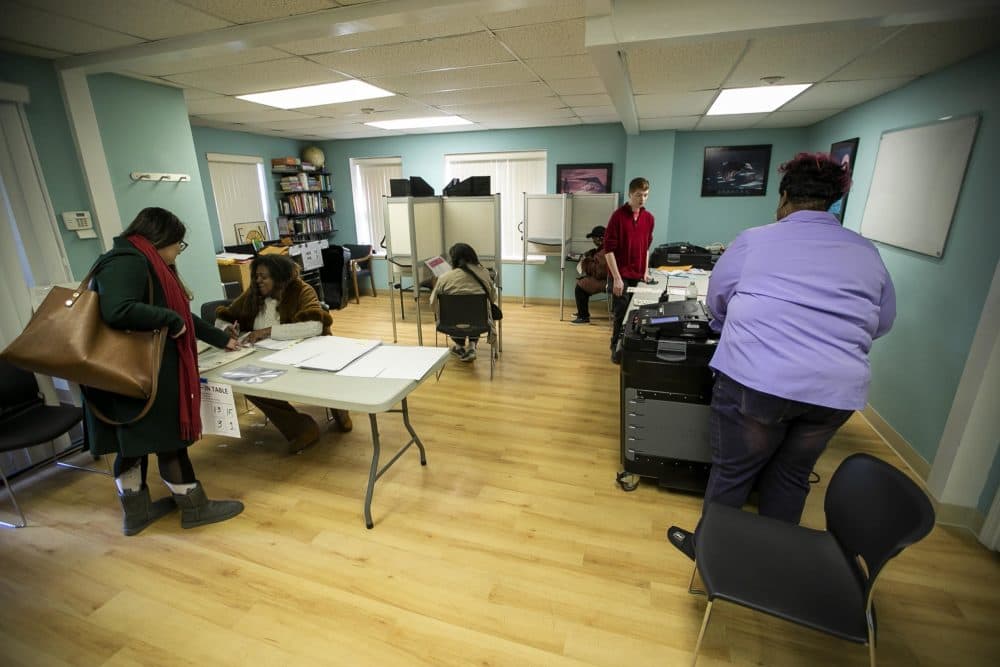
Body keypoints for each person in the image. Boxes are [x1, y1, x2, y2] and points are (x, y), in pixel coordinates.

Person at [668, 152, 896, 560]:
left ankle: (711, 554)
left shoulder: (755, 240)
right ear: (832, 202)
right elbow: (881, 323)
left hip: (757, 381)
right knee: (791, 476)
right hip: (834, 392)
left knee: (734, 471)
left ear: (785, 197)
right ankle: (773, 564)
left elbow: (718, 302)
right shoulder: (866, 252)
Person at [85, 207, 244, 535]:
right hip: (138, 373)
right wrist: (171, 321)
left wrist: (220, 339)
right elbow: (120, 311)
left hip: (127, 373)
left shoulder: (137, 259)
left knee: (132, 445)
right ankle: (195, 508)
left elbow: (181, 314)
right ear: (161, 239)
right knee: (169, 442)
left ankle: (138, 513)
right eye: (177, 244)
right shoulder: (127, 261)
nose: (177, 251)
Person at [215, 254, 352, 453]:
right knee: (248, 382)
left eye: (264, 276)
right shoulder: (254, 293)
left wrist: (268, 331)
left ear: (279, 278)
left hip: (308, 352)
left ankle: (339, 406)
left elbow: (315, 325)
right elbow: (223, 317)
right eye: (256, 276)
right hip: (265, 356)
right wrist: (227, 328)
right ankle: (301, 428)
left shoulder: (301, 290)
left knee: (320, 378)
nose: (258, 281)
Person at [605, 177, 654, 363]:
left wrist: (646, 271)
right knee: (621, 313)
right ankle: (615, 348)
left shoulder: (649, 218)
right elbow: (608, 250)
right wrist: (616, 278)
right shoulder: (617, 217)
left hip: (637, 274)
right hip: (620, 275)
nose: (642, 199)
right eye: (638, 195)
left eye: (646, 195)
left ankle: (631, 348)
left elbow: (646, 248)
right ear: (630, 194)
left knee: (638, 314)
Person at [429, 243, 497, 362]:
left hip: (450, 324)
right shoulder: (484, 273)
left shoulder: (444, 278)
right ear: (473, 256)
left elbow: (432, 304)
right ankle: (471, 346)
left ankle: (459, 346)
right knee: (473, 315)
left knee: (457, 316)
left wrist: (438, 315)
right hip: (479, 322)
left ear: (453, 260)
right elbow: (493, 298)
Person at [570, 225, 608, 325]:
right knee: (583, 282)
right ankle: (582, 313)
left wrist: (586, 262)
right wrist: (592, 255)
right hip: (606, 278)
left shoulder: (605, 251)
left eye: (594, 238)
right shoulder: (604, 248)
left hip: (607, 281)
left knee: (580, 286)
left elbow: (599, 272)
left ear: (600, 238)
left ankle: (583, 317)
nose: (593, 241)